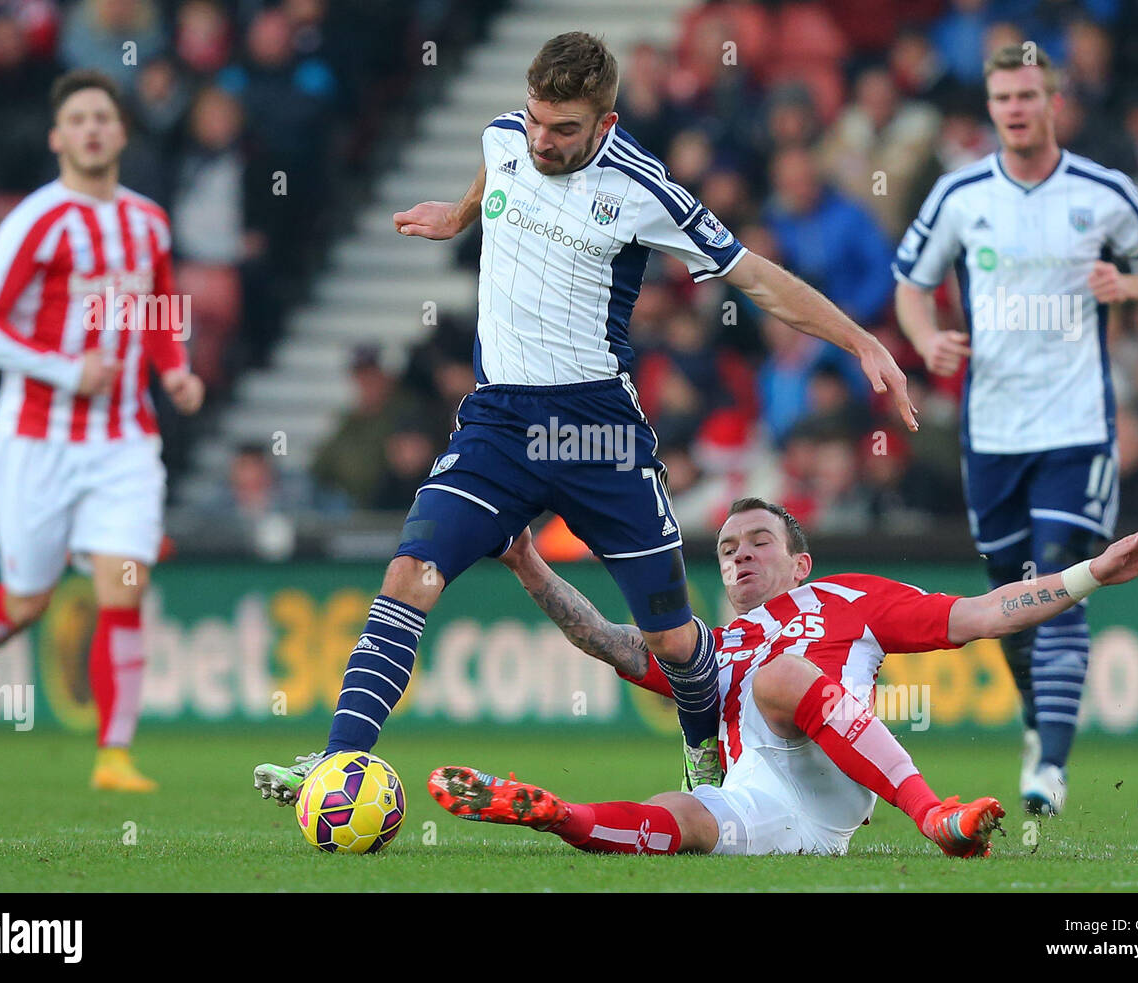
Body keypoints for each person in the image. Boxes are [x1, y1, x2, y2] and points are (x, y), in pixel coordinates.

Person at [254, 32, 917, 804]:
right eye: (536, 119)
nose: (541, 139)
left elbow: (754, 277)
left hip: (597, 430)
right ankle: (336, 764)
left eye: (563, 129)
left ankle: (705, 749)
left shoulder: (643, 188)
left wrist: (861, 338)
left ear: (603, 124)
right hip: (498, 422)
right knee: (411, 572)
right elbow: (496, 169)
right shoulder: (505, 138)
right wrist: (462, 214)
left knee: (671, 636)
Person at [429, 500, 1138, 857]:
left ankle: (932, 815)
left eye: (759, 540)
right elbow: (607, 640)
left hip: (832, 765)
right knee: (683, 814)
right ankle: (559, 813)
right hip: (775, 804)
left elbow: (987, 612)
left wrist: (1090, 573)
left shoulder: (847, 597)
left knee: (781, 676)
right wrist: (527, 560)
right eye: (726, 549)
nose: (740, 555)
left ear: (800, 563)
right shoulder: (714, 646)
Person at [892, 44, 1138, 816]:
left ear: (1054, 101)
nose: (1015, 109)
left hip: (1078, 425)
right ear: (990, 108)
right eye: (1003, 98)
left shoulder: (1103, 191)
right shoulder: (959, 195)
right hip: (991, 431)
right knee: (1013, 599)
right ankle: (1037, 721)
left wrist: (1129, 282)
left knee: (1063, 573)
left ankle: (1049, 762)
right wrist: (925, 341)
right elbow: (910, 285)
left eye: (1028, 95)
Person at [0, 70, 205, 792]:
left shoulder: (147, 220)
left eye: (102, 117)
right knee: (28, 598)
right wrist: (59, 367)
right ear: (59, 138)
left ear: (120, 133)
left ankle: (113, 755)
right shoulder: (35, 221)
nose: (91, 128)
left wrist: (174, 368)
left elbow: (158, 308)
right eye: (78, 119)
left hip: (124, 439)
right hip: (37, 437)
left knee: (125, 584)